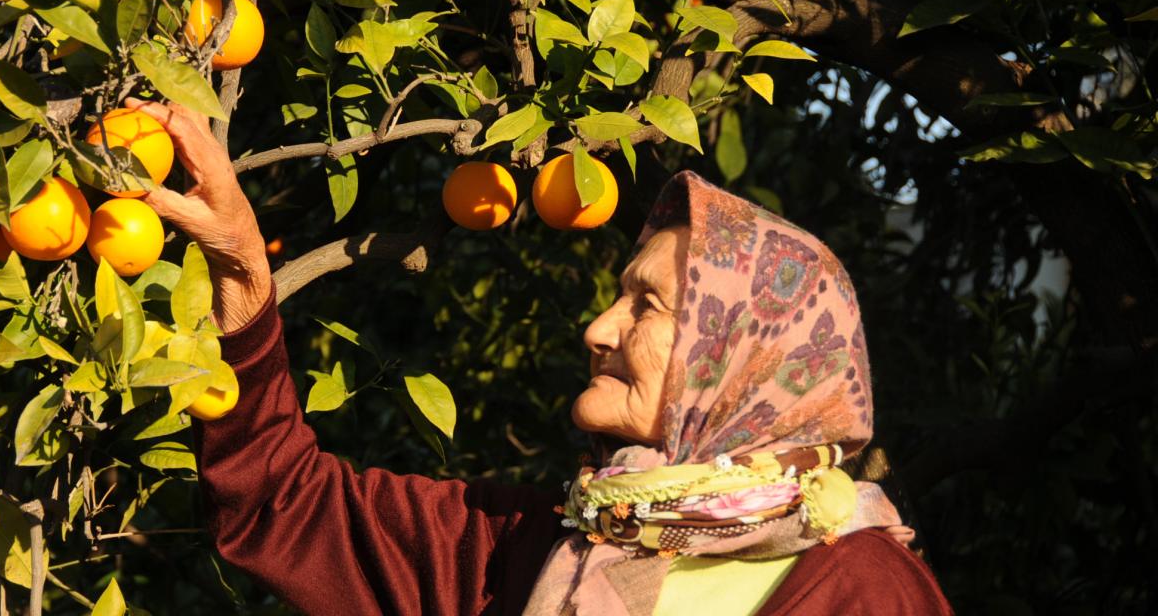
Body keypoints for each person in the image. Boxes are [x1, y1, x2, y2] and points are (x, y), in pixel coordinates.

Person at [126, 97, 952, 615]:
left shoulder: (861, 591)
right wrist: (242, 277)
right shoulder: (533, 546)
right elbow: (287, 502)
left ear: (739, 359)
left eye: (648, 305)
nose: (598, 328)